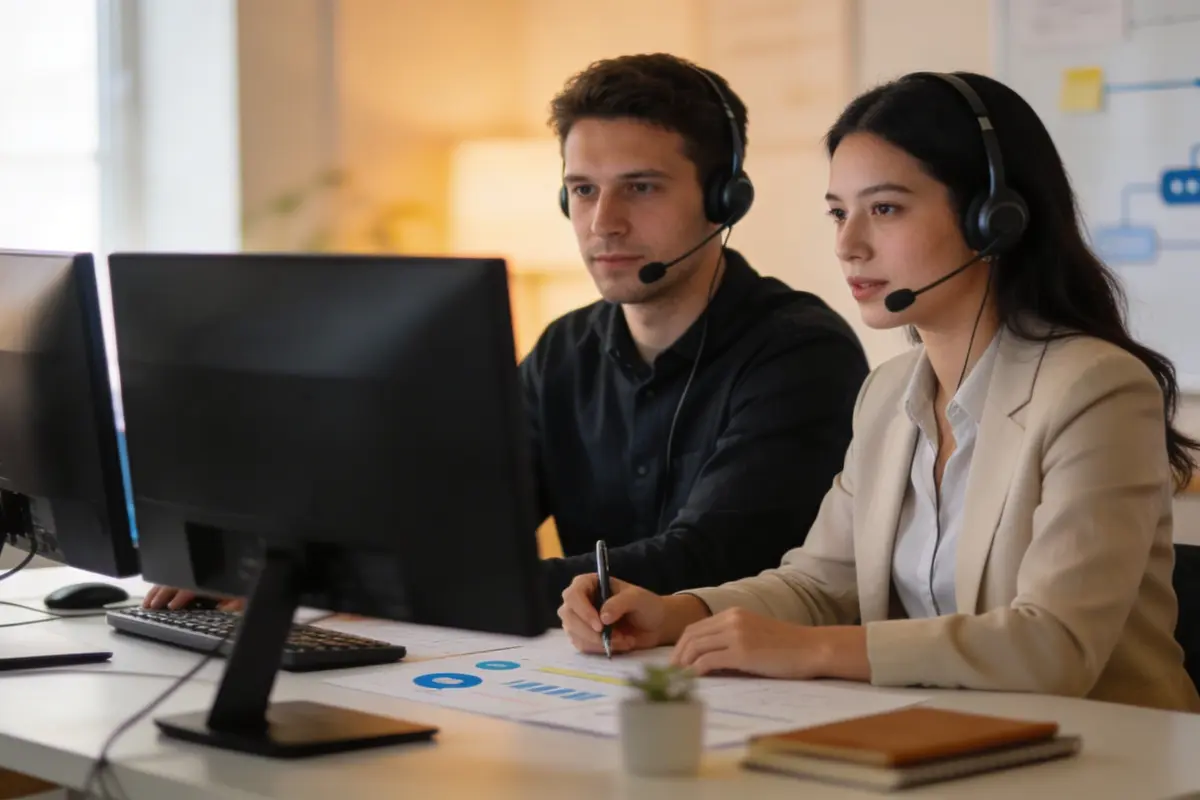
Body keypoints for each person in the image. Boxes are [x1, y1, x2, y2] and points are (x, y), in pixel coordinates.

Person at [557, 70, 1200, 712]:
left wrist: (814, 650)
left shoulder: (1097, 389)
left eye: (884, 209)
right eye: (839, 213)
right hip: (946, 740)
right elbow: (819, 584)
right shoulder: (890, 394)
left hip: (1114, 756)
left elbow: (1053, 645)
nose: (848, 244)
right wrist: (678, 611)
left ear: (993, 219)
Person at [143, 53, 868, 615]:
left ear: (723, 199)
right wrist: (281, 573)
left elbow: (706, 560)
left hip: (732, 692)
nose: (602, 222)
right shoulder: (565, 350)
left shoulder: (798, 354)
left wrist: (376, 589)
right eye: (583, 190)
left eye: (640, 187)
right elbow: (458, 516)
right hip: (588, 676)